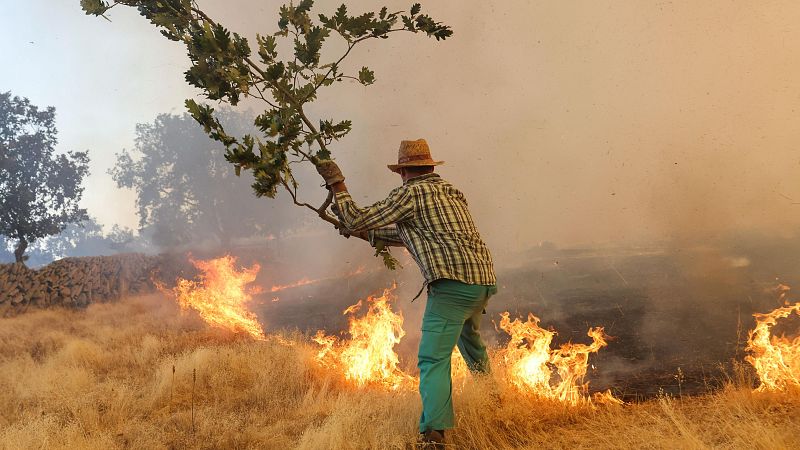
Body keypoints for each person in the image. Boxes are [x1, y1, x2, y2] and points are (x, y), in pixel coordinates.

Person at [316, 139, 497, 447]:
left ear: (402, 172)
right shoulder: (451, 192)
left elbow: (357, 217)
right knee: (471, 344)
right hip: (481, 283)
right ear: (430, 166)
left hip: (451, 287)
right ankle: (495, 401)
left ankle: (434, 434)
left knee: (432, 359)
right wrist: (358, 232)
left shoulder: (410, 194)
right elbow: (411, 235)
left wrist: (337, 184)